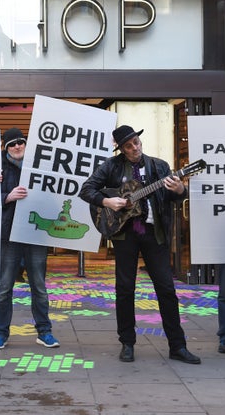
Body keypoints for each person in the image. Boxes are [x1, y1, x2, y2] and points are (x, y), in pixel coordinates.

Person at [79, 125, 201, 364]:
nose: (135, 148)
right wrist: (107, 201)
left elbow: (174, 196)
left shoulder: (159, 166)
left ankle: (177, 345)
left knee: (166, 288)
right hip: (125, 234)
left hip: (154, 234)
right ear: (121, 150)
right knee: (125, 289)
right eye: (128, 146)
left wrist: (180, 189)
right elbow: (86, 190)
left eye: (136, 142)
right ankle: (127, 343)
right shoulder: (111, 167)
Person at [0, 127, 60, 350]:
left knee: (39, 285)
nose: (17, 146)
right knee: (3, 287)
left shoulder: (40, 164)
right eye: (12, 144)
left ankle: (44, 331)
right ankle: (1, 332)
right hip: (8, 233)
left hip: (35, 233)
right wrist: (6, 197)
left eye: (20, 142)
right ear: (5, 147)